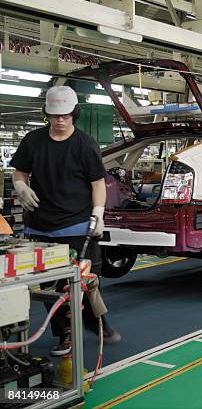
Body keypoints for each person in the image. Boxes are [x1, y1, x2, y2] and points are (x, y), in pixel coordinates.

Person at [10, 86, 120, 356]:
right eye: (55, 115)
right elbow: (19, 173)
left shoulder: (85, 144)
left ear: (75, 114)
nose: (60, 120)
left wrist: (98, 213)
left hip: (76, 225)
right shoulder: (32, 141)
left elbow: (98, 183)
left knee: (84, 283)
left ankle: (97, 321)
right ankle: (66, 335)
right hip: (40, 227)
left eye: (66, 116)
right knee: (50, 289)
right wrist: (20, 187)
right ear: (47, 114)